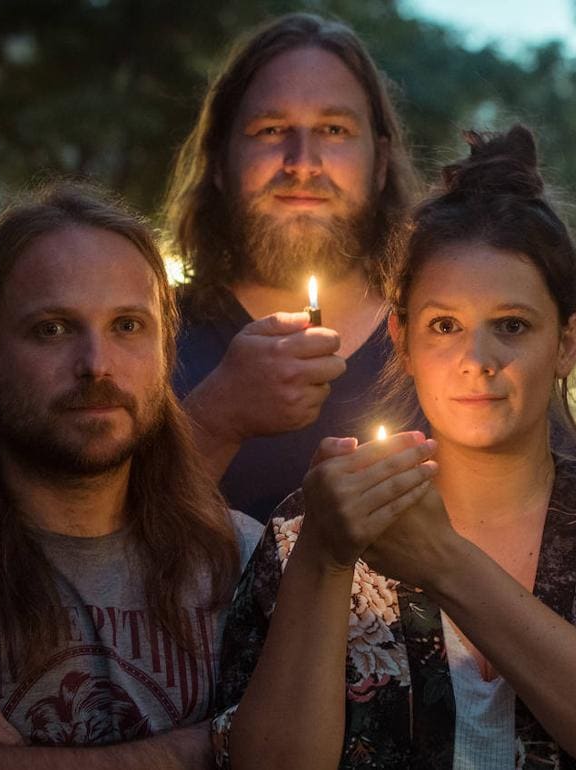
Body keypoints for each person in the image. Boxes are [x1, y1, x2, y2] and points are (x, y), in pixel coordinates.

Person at [209, 126, 576, 769]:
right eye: (445, 326)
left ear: (567, 343)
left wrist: (443, 561)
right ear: (402, 340)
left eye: (511, 326)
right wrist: (323, 558)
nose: (476, 360)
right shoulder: (315, 528)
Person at [0, 183, 263, 768]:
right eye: (52, 329)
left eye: (127, 326)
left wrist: (15, 759)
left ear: (165, 352)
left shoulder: (245, 556)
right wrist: (214, 743)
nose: (97, 365)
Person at [164, 12, 421, 523]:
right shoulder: (139, 340)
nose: (302, 162)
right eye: (271, 128)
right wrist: (214, 420)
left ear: (381, 162)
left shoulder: (450, 340)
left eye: (334, 129)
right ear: (219, 160)